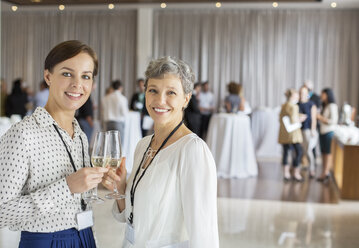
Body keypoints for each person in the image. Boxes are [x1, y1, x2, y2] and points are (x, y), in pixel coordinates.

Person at [0, 40, 108, 247]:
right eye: (67, 74)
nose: (77, 84)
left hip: (85, 236)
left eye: (85, 76)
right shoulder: (23, 134)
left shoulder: (80, 134)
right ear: (48, 76)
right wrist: (66, 187)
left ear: (92, 84)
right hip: (46, 241)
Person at [102, 56, 219, 247]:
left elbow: (204, 233)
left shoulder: (192, 150)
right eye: (153, 90)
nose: (160, 100)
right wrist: (121, 187)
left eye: (171, 92)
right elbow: (131, 216)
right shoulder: (143, 145)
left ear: (186, 99)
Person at [278, 89, 306, 182]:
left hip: (284, 133)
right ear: (293, 96)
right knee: (298, 152)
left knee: (285, 153)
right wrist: (300, 118)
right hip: (294, 134)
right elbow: (294, 120)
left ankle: (286, 173)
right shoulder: (294, 106)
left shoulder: (284, 105)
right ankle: (296, 173)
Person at [317, 88, 338, 182]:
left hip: (329, 132)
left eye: (323, 94)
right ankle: (324, 172)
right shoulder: (324, 105)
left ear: (327, 95)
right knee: (323, 153)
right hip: (322, 132)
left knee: (328, 153)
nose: (321, 95)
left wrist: (320, 118)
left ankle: (326, 172)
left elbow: (333, 121)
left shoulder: (332, 106)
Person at [298, 86, 318, 178]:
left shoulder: (311, 104)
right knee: (299, 150)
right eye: (301, 93)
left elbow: (313, 118)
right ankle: (299, 167)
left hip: (307, 130)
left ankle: (312, 168)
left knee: (308, 150)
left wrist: (313, 130)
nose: (302, 95)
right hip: (298, 130)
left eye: (304, 93)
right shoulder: (297, 104)